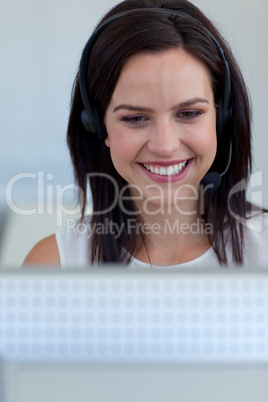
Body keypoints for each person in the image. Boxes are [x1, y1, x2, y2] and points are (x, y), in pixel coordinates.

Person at [23, 0, 268, 268]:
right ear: (98, 124)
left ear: (222, 118)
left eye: (188, 114)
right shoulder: (53, 265)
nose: (165, 145)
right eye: (135, 118)